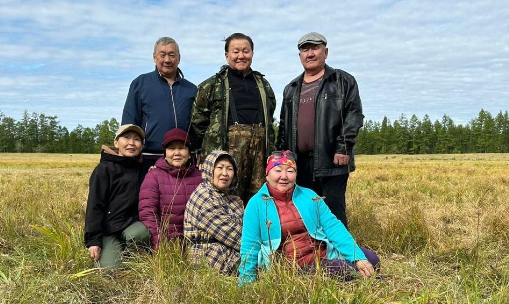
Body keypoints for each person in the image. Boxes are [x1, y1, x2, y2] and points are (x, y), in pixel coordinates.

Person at [238, 151, 379, 285]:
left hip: (323, 254)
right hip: (295, 266)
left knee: (371, 259)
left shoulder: (309, 195)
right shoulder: (256, 204)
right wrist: (246, 283)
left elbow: (333, 226)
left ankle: (356, 274)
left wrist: (356, 257)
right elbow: (249, 246)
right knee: (343, 268)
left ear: (296, 174)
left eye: (290, 171)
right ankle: (359, 276)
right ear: (267, 174)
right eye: (278, 170)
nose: (284, 176)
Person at [277, 32, 364, 228]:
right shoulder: (290, 88)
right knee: (305, 209)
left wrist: (343, 147)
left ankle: (341, 254)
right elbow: (284, 125)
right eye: (305, 50)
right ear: (300, 56)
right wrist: (282, 156)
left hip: (332, 159)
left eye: (314, 48)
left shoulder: (342, 81)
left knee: (333, 210)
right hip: (299, 162)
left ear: (326, 52)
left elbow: (354, 115)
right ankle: (314, 251)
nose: (310, 54)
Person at [189, 33, 276, 203]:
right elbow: (198, 121)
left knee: (259, 200)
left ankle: (256, 230)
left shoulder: (263, 84)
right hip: (226, 154)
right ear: (226, 55)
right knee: (225, 199)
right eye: (236, 51)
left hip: (260, 153)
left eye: (246, 51)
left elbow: (271, 115)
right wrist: (210, 146)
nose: (241, 56)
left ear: (252, 53)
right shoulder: (211, 85)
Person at [122, 37, 197, 184]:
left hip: (184, 158)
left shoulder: (192, 89)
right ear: (154, 58)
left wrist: (198, 151)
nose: (167, 60)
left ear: (179, 58)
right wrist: (132, 152)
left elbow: (198, 125)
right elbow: (130, 121)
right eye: (162, 55)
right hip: (150, 158)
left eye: (172, 55)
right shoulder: (140, 84)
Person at [84, 124, 151, 269]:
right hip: (108, 229)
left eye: (136, 139)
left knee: (141, 234)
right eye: (126, 138)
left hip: (131, 225)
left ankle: (131, 252)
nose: (131, 143)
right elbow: (94, 206)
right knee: (109, 271)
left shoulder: (144, 169)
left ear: (141, 145)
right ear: (116, 142)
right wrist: (93, 241)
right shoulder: (104, 169)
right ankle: (114, 248)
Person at [138, 128, 202, 249]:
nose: (176, 153)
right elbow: (148, 214)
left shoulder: (201, 177)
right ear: (165, 153)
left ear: (189, 154)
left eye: (182, 148)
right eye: (171, 148)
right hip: (165, 245)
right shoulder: (153, 176)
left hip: (195, 245)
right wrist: (160, 246)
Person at [183, 151, 244, 275]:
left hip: (225, 254)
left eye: (229, 169)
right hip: (209, 261)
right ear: (209, 169)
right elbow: (235, 236)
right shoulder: (205, 197)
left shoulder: (225, 196)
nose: (225, 173)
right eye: (220, 167)